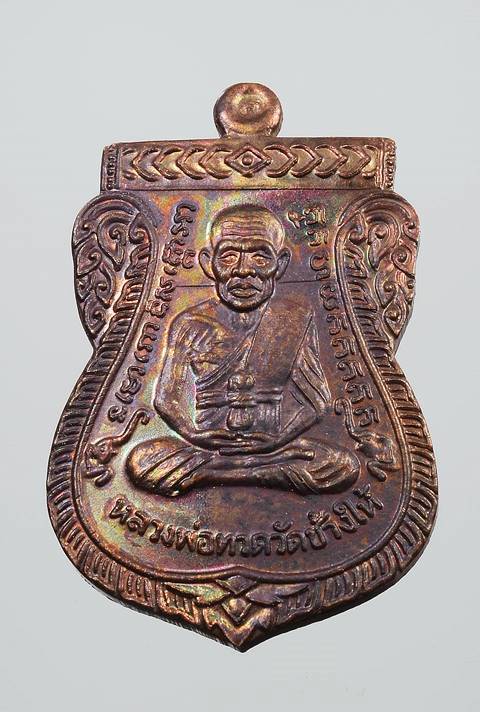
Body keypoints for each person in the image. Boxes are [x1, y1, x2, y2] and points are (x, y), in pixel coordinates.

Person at [126, 205, 359, 496]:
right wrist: (195, 435)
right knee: (142, 460)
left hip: (272, 446)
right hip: (209, 446)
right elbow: (166, 398)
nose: (243, 270)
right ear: (209, 263)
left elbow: (316, 403)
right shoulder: (190, 322)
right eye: (229, 256)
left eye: (260, 256)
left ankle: (218, 474)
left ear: (280, 264)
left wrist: (277, 440)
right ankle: (255, 473)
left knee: (341, 464)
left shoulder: (293, 319)